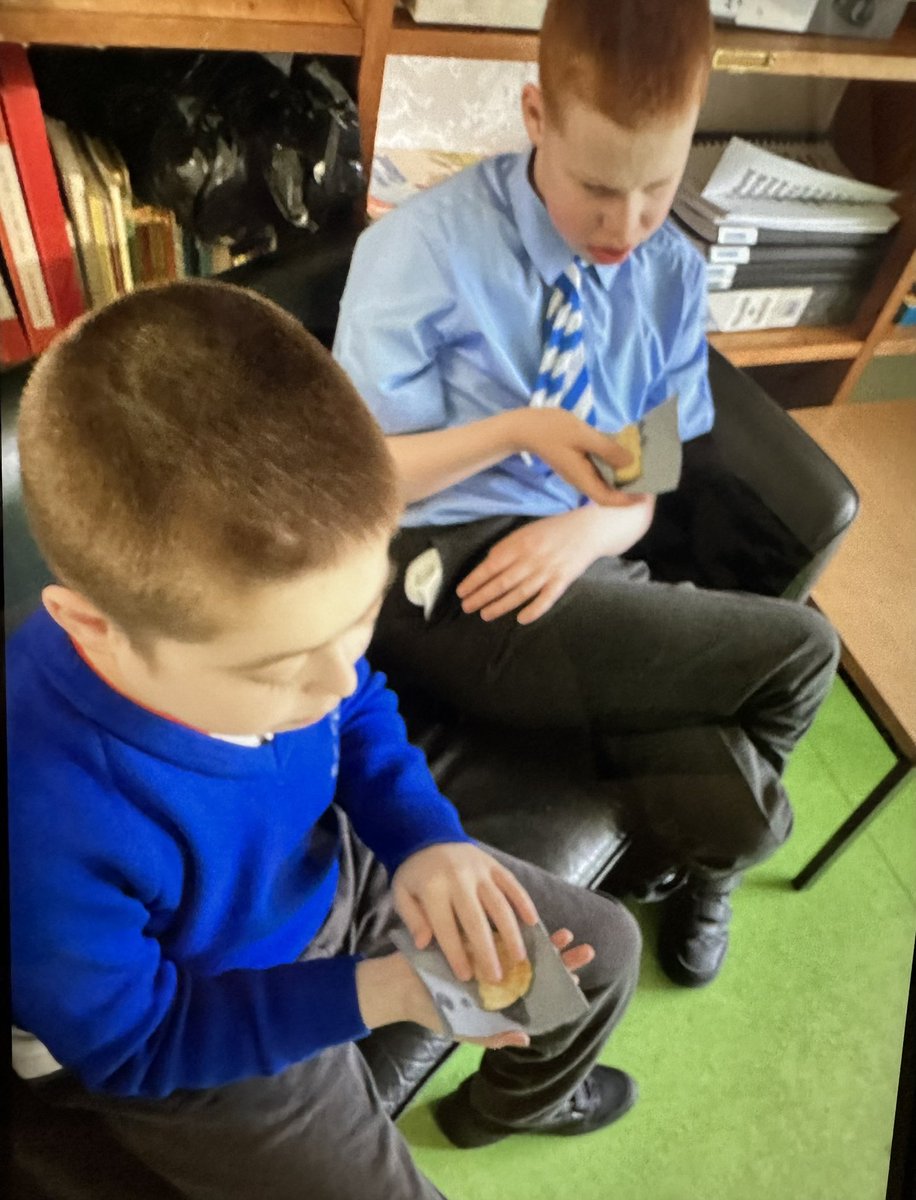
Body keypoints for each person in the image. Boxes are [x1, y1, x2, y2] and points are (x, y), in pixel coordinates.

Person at [8, 281, 643, 1200]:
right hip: (193, 1026)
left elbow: (353, 705)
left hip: (321, 876)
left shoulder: (305, 657)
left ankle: (517, 1103)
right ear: (93, 627)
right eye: (279, 668)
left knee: (600, 956)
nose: (339, 682)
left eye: (363, 616)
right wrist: (378, 994)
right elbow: (139, 1043)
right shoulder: (42, 820)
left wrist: (427, 839)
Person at [333, 0, 840, 989]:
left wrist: (590, 533)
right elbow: (361, 483)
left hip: (576, 555)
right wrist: (520, 431)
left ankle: (706, 849)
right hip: (436, 569)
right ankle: (715, 855)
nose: (627, 223)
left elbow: (645, 474)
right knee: (805, 651)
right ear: (534, 115)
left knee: (710, 717)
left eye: (659, 183)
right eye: (596, 187)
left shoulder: (666, 274)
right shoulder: (423, 249)